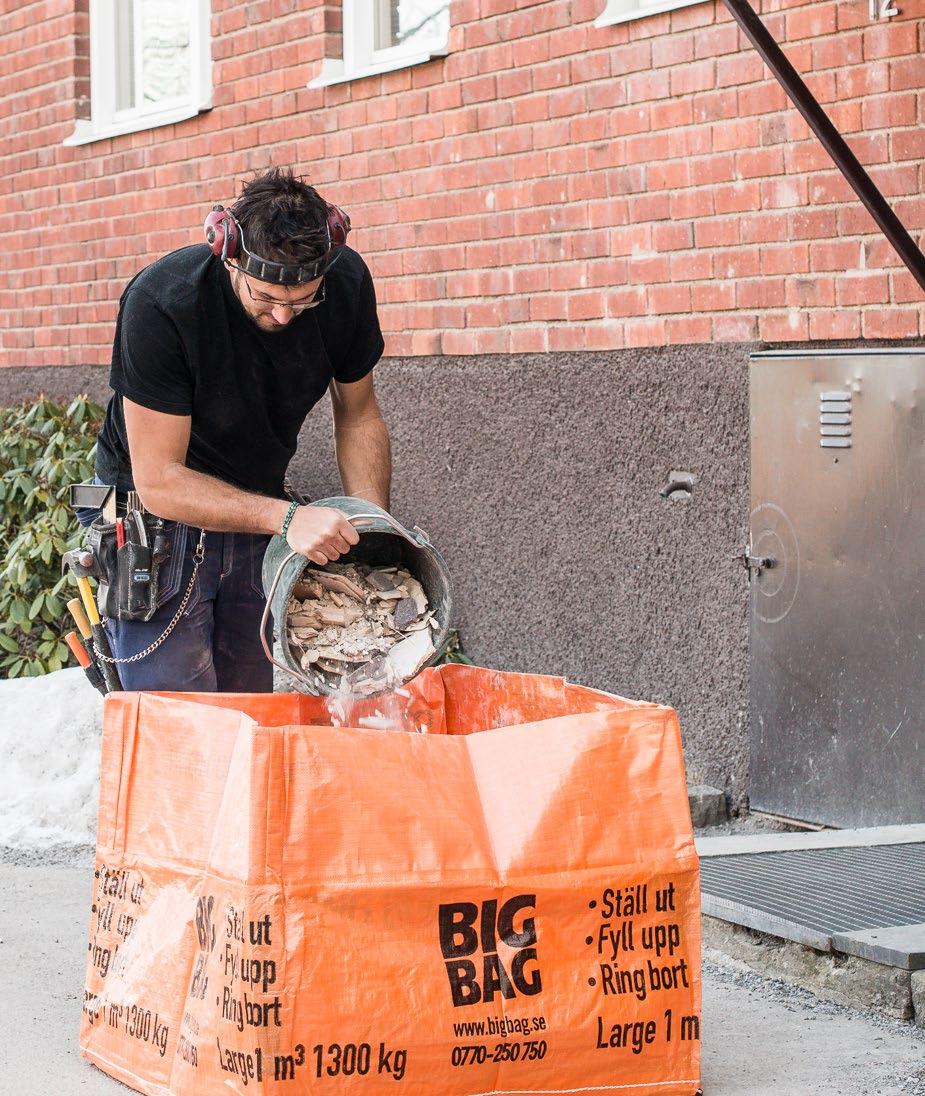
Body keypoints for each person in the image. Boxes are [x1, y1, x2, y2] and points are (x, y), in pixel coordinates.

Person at [83, 167, 391, 693]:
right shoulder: (162, 303)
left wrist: (371, 530)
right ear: (229, 253)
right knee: (177, 717)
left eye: (302, 300)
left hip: (254, 510)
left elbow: (358, 414)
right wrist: (288, 517)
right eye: (266, 296)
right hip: (143, 511)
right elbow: (159, 480)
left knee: (247, 707)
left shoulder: (345, 284)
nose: (284, 314)